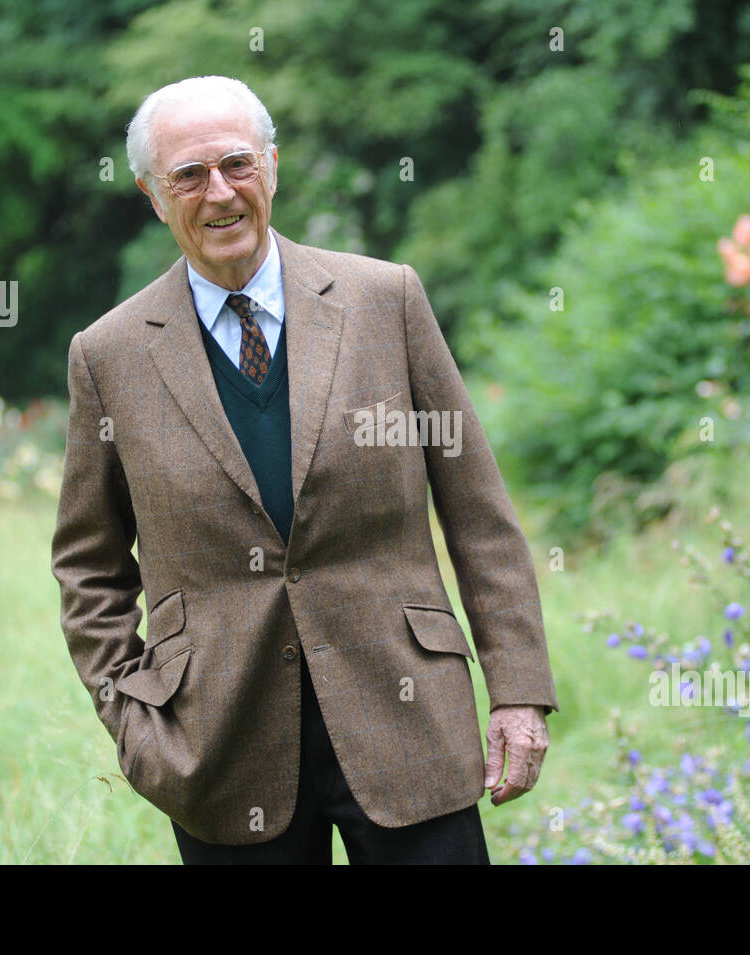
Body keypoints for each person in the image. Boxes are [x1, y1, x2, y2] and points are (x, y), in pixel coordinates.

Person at [50, 75, 558, 864]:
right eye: (189, 175)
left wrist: (519, 688)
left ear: (273, 169)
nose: (218, 192)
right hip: (218, 743)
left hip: (407, 712)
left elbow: (477, 508)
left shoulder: (386, 299)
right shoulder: (107, 355)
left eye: (236, 164)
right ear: (154, 196)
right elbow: (88, 565)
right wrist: (135, 722)